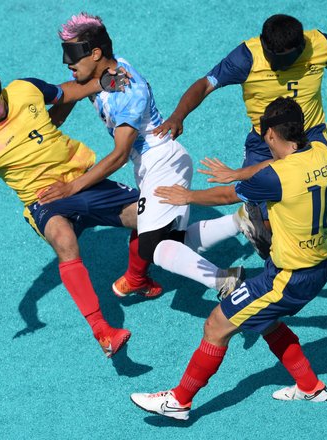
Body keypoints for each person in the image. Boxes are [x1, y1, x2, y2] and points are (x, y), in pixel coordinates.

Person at [153, 14, 327, 315]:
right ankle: (274, 273)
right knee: (267, 223)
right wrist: (178, 115)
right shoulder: (247, 57)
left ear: (298, 48)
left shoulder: (317, 44)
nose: (274, 63)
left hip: (310, 138)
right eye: (271, 55)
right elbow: (205, 84)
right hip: (265, 144)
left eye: (281, 59)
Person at [131, 97, 327, 420]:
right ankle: (311, 386)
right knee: (265, 319)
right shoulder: (322, 152)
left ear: (270, 135)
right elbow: (293, 151)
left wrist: (188, 196)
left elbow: (230, 195)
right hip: (318, 265)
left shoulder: (275, 178)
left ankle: (179, 401)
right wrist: (238, 173)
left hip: (288, 277)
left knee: (216, 325)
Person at [0, 56, 161, 358]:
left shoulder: (24, 89)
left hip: (84, 181)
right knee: (64, 240)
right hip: (46, 202)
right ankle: (103, 331)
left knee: (151, 218)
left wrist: (104, 81)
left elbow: (68, 92)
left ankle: (136, 278)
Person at [40, 12, 245, 299]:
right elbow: (67, 101)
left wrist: (72, 187)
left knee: (152, 247)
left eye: (73, 56)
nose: (67, 63)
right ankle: (242, 221)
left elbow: (120, 154)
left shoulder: (127, 91)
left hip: (162, 162)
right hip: (154, 164)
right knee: (173, 242)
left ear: (96, 53)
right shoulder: (106, 73)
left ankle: (225, 281)